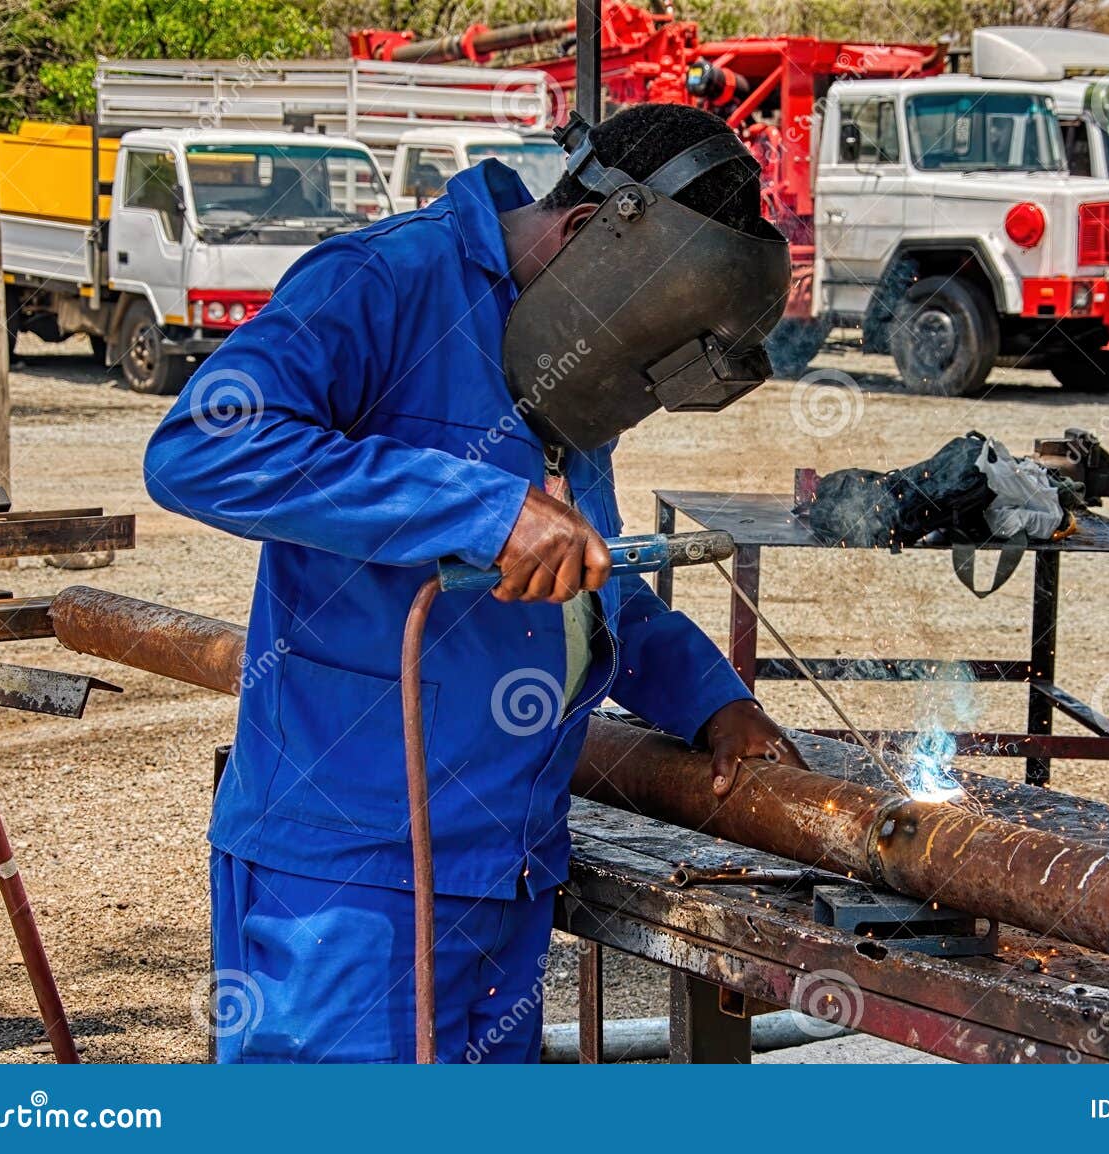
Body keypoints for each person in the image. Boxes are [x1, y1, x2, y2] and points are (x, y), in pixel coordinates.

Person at [142, 103, 805, 1063]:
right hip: (353, 879)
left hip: (504, 875)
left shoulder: (569, 357)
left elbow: (585, 573)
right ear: (586, 232)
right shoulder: (385, 282)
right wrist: (480, 511)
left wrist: (711, 702)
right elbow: (199, 448)